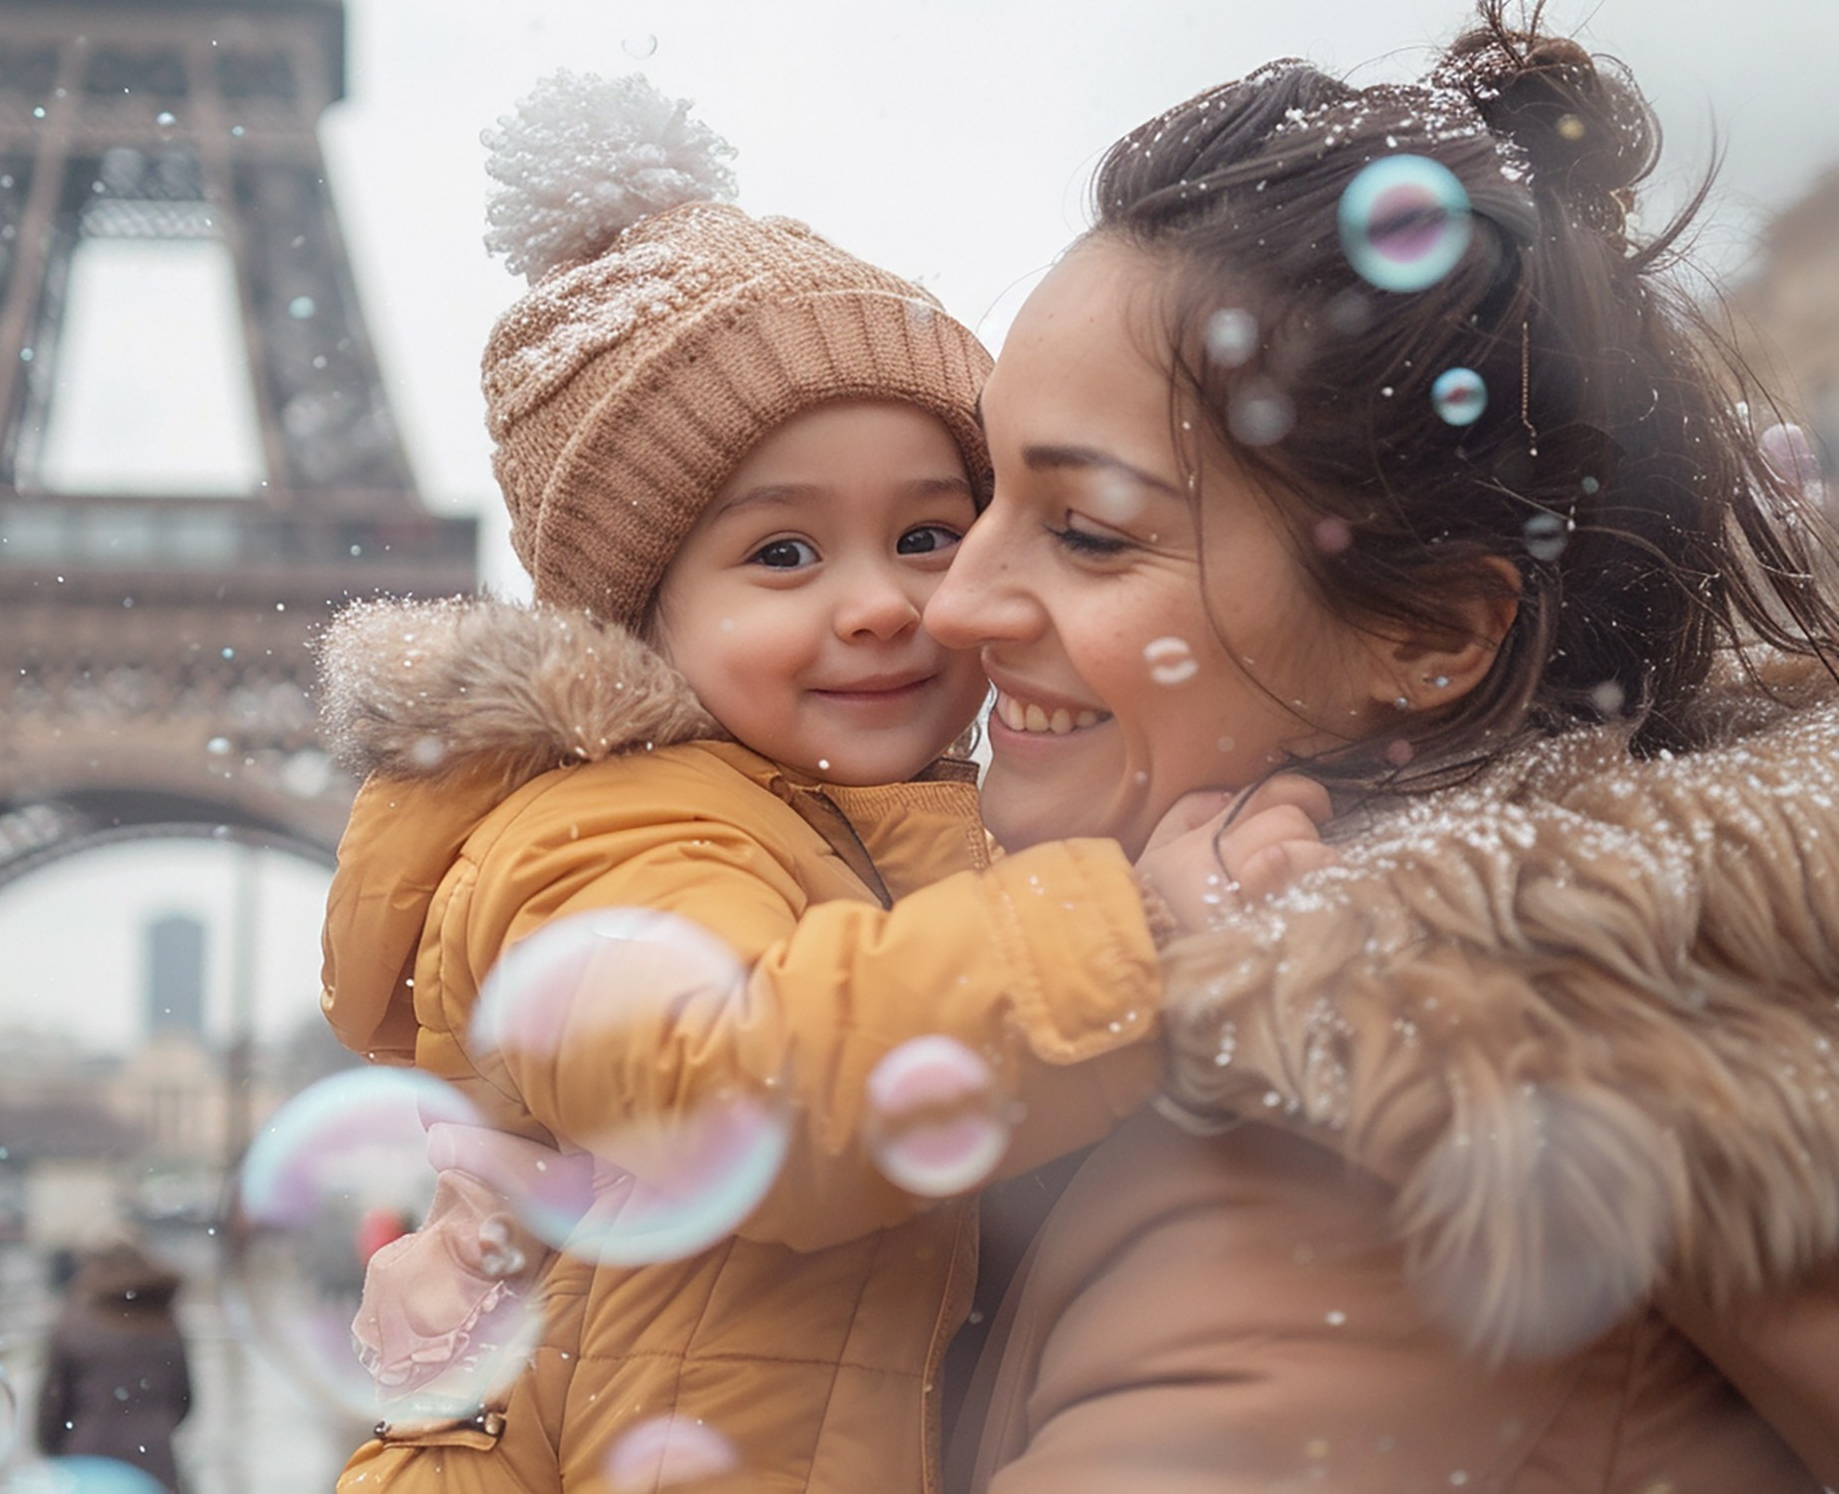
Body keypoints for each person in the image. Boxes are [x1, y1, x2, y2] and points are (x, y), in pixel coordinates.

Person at [318, 72, 1325, 1494]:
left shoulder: (893, 835)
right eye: (784, 554)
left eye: (929, 532)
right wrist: (1134, 931)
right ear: (632, 625)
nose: (880, 604)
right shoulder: (605, 836)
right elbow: (741, 1079)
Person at [921, 0, 1839, 1488]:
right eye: (977, 502)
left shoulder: (1349, 1220)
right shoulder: (1185, 1033)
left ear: (1431, 637)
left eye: (1085, 530)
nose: (954, 599)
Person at [35, 1239, 193, 1492]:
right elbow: (184, 1402)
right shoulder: (166, 1325)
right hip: (154, 1457)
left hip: (87, 1454)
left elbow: (53, 1404)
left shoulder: (74, 1324)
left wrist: (52, 1450)